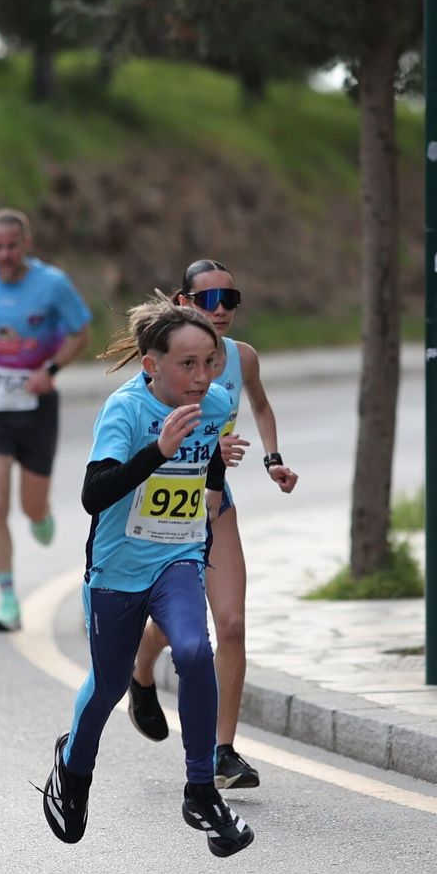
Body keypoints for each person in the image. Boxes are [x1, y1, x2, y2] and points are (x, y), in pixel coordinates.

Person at [40, 292, 254, 858]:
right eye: (187, 364)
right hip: (117, 569)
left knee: (192, 648)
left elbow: (203, 451)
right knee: (108, 685)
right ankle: (74, 769)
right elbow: (94, 494)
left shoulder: (214, 401)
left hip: (178, 557)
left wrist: (213, 467)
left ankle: (201, 790)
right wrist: (158, 451)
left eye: (210, 362)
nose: (203, 376)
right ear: (151, 366)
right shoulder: (125, 410)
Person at [126, 260, 298, 790]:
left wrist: (272, 459)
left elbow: (262, 406)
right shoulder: (164, 365)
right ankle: (141, 667)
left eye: (230, 298)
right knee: (181, 624)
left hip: (215, 505)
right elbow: (143, 432)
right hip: (166, 509)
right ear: (184, 302)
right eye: (208, 299)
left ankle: (223, 752)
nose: (220, 308)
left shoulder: (241, 358)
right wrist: (199, 447)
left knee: (232, 625)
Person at [0, 208, 92, 633]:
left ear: (26, 245)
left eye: (13, 246)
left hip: (36, 405)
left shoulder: (52, 284)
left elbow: (81, 333)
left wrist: (52, 370)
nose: (5, 255)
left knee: (30, 506)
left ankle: (40, 514)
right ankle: (8, 599)